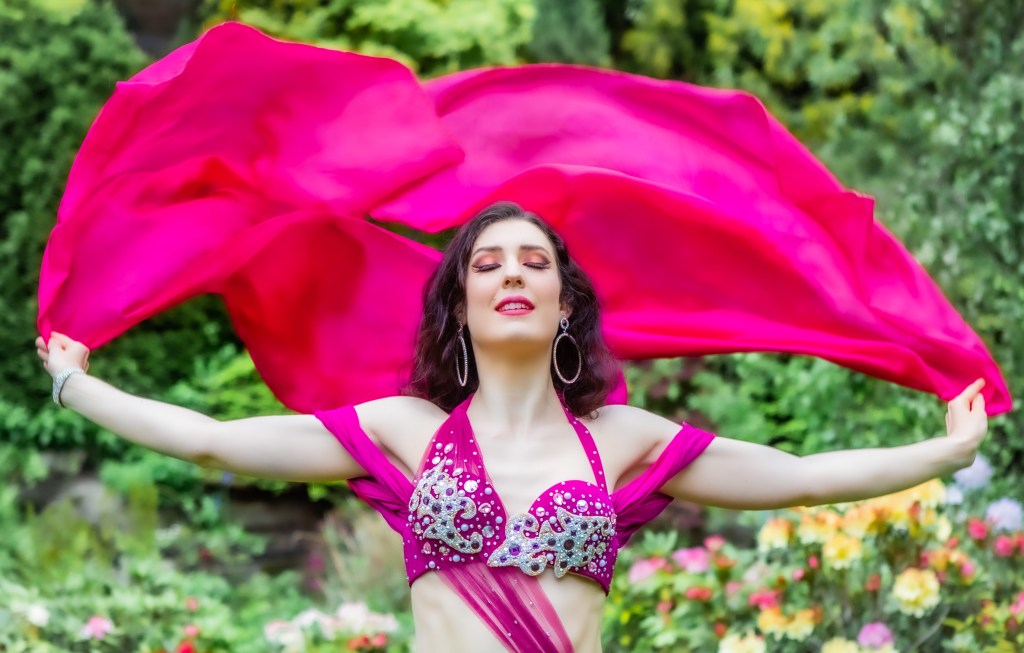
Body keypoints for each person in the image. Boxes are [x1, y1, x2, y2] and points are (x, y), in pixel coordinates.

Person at [36, 202, 989, 653]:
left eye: (535, 262)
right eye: (486, 265)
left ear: (565, 306)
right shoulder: (407, 429)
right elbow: (215, 440)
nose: (511, 275)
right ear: (458, 308)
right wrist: (78, 387)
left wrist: (946, 450)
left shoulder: (620, 442)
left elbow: (805, 475)